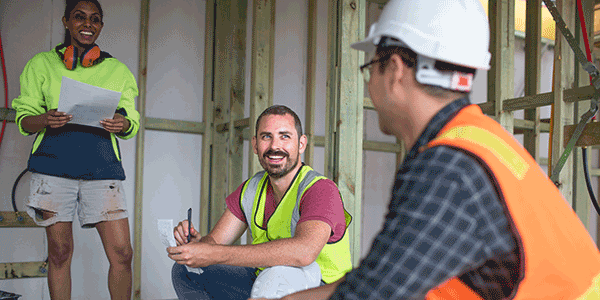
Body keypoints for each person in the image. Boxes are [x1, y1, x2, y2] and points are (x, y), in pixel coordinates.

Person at [251, 0, 600, 299]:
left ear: (395, 71)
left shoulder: (447, 166)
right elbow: (382, 277)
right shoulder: (477, 139)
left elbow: (373, 295)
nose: (369, 84)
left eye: (369, 68)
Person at [11, 0, 140, 299]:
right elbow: (25, 119)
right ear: (66, 22)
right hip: (53, 170)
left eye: (95, 19)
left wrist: (122, 123)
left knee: (122, 253)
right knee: (59, 252)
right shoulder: (40, 64)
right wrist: (45, 118)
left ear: (101, 26)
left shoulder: (118, 71)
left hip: (102, 170)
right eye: (80, 17)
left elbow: (131, 120)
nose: (87, 24)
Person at [168, 105, 353, 299]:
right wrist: (199, 247)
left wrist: (214, 253)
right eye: (266, 137)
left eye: (285, 136)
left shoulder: (319, 189)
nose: (274, 146)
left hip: (322, 290)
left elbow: (304, 253)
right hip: (267, 282)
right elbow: (215, 242)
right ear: (255, 145)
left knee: (276, 277)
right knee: (187, 270)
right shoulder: (252, 188)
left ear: (301, 144)